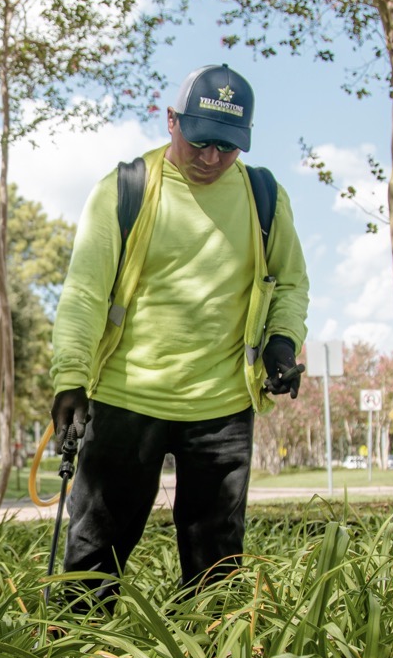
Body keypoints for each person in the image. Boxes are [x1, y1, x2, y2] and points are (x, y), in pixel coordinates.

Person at [48, 65, 309, 608]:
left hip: (221, 408)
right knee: (92, 565)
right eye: (200, 141)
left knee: (217, 571)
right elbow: (84, 293)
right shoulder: (125, 189)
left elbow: (290, 281)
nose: (211, 158)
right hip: (125, 399)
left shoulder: (265, 197)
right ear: (172, 122)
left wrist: (282, 342)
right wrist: (70, 379)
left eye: (227, 146)